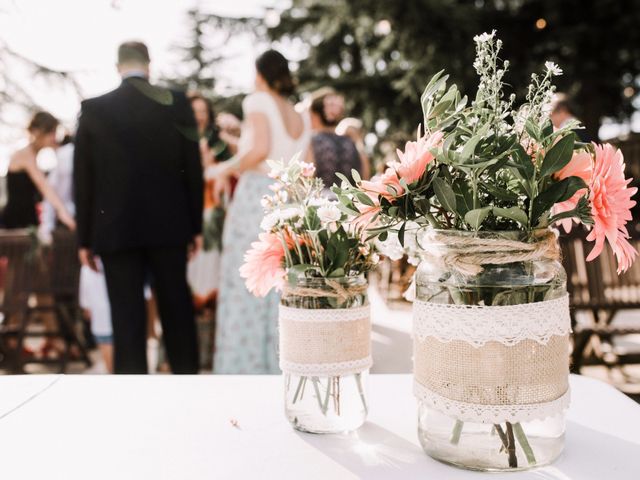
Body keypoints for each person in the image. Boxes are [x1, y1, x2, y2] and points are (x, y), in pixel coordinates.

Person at [73, 41, 203, 374]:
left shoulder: (94, 108)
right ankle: (189, 385)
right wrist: (196, 227)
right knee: (177, 311)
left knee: (126, 318)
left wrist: (84, 239)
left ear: (118, 66)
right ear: (149, 64)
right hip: (170, 227)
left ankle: (132, 397)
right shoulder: (176, 103)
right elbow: (193, 168)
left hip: (115, 230)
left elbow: (84, 180)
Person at [212, 49, 311, 374]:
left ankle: (244, 366)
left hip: (257, 195)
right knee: (281, 281)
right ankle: (282, 364)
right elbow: (306, 164)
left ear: (259, 73)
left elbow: (260, 150)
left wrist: (221, 169)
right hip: (289, 199)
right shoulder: (299, 113)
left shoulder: (257, 102)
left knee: (248, 278)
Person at [41, 136, 114, 373]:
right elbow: (56, 196)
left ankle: (85, 340)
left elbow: (54, 197)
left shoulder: (70, 155)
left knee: (84, 293)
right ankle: (85, 340)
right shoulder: (69, 156)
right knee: (87, 292)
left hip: (83, 232)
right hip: (80, 231)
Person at [3, 112, 75, 230]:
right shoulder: (25, 155)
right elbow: (45, 187)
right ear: (39, 132)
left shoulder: (34, 155)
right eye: (51, 132)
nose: (54, 137)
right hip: (16, 222)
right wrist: (63, 212)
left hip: (28, 219)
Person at [307, 89, 370, 189]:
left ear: (315, 114)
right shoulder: (351, 141)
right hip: (348, 202)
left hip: (320, 201)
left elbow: (306, 180)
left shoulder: (311, 142)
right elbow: (365, 178)